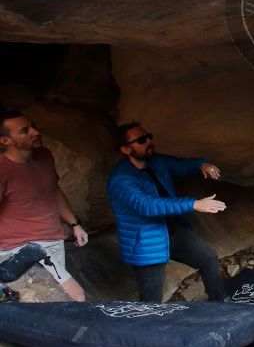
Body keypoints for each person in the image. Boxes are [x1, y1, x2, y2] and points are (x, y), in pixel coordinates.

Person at [107, 122, 227, 302]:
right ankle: (150, 327)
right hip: (146, 242)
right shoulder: (121, 179)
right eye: (141, 140)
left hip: (171, 231)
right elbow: (147, 205)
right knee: (152, 299)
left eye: (148, 136)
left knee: (208, 258)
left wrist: (202, 164)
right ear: (125, 149)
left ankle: (221, 303)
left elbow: (180, 165)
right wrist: (193, 204)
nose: (148, 142)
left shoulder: (155, 161)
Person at [0, 110, 89, 301]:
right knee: (76, 297)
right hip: (20, 249)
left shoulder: (44, 156)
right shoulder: (2, 170)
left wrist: (75, 224)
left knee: (58, 306)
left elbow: (52, 190)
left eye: (32, 126)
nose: (35, 132)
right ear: (5, 141)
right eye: (25, 131)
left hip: (53, 241)